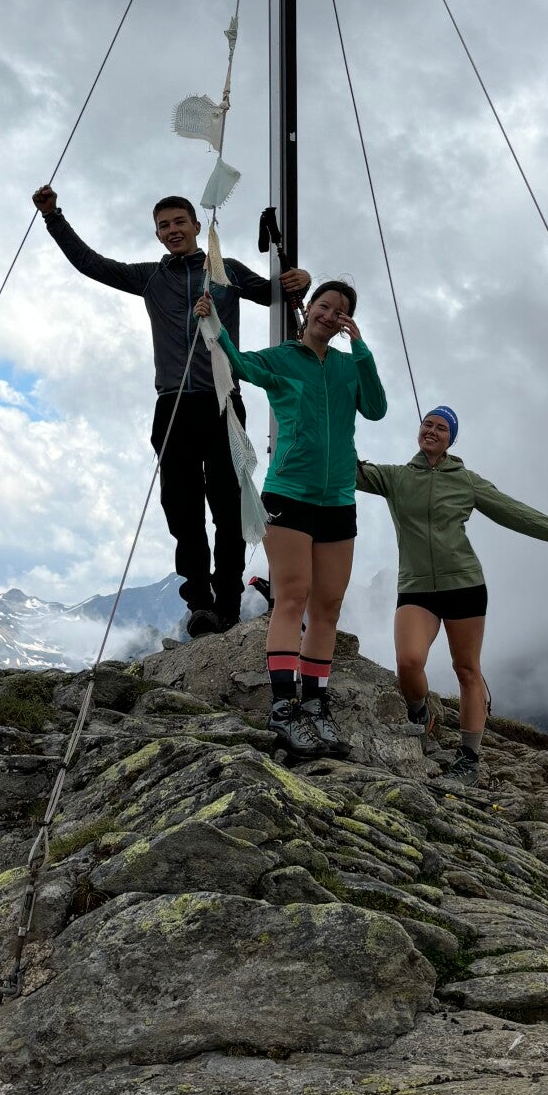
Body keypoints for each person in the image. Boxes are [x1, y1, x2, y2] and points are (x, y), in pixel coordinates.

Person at [31, 183, 308, 637]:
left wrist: (302, 280)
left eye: (180, 222)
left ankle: (229, 605)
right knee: (182, 510)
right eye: (164, 225)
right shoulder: (150, 278)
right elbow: (90, 263)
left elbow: (277, 294)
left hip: (223, 400)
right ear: (157, 234)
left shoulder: (226, 271)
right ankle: (200, 606)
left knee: (229, 508)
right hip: (173, 405)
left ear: (197, 226)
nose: (173, 230)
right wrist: (53, 216)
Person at [357, 407, 548, 786]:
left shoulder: (466, 481)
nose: (432, 431)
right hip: (416, 587)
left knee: (466, 669)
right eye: (428, 424)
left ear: (451, 439)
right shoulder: (395, 477)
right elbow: (347, 470)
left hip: (464, 586)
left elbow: (517, 514)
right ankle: (420, 714)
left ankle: (469, 758)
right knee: (408, 662)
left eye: (442, 428)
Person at [196, 277, 387, 759]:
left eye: (341, 311)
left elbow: (376, 408)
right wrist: (213, 321)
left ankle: (316, 706)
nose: (330, 315)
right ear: (310, 308)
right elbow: (240, 364)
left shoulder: (347, 365)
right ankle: (283, 708)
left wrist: (361, 348)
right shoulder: (283, 358)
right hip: (288, 494)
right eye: (325, 305)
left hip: (338, 498)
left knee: (328, 606)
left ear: (345, 322)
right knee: (292, 597)